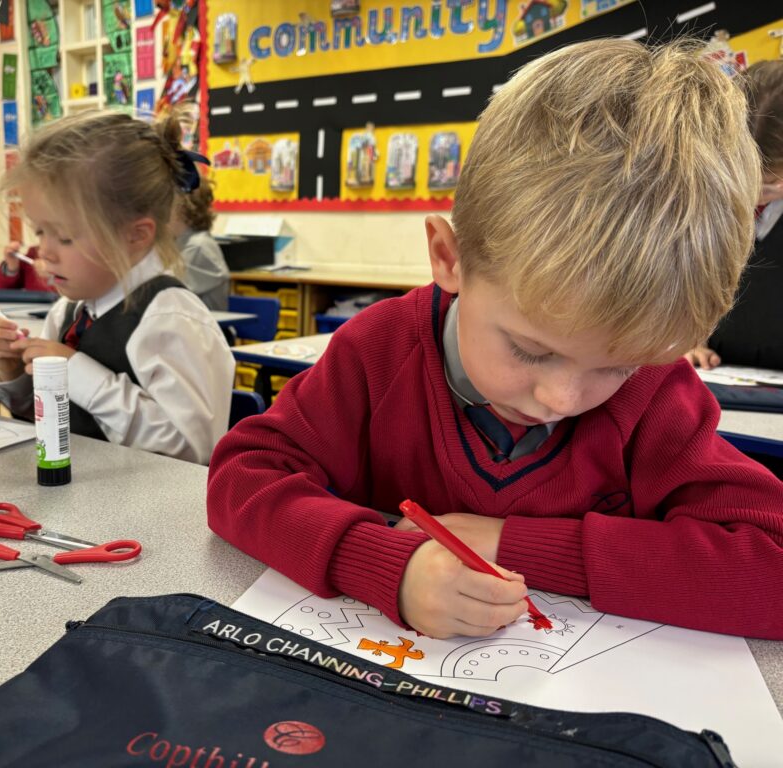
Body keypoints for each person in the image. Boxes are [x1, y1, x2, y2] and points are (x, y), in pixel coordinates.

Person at [207, 40, 783, 641]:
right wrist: (382, 562)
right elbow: (240, 476)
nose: (561, 397)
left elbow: (772, 566)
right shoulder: (380, 352)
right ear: (449, 258)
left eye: (616, 367)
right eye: (530, 350)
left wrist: (520, 546)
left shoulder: (659, 393)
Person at [0, 111, 235, 465]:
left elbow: (192, 452)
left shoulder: (171, 319)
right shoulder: (68, 311)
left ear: (135, 235)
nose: (45, 251)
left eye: (65, 237)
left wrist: (79, 374)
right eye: (40, 231)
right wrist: (11, 372)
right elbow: (46, 422)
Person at [687, 59, 783, 371]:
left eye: (770, 185)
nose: (754, 194)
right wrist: (683, 340)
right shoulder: (701, 204)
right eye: (743, 176)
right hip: (717, 376)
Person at [171, 176, 230, 311]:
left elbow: (167, 292)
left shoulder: (198, 247)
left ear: (181, 210)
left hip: (202, 329)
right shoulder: (180, 242)